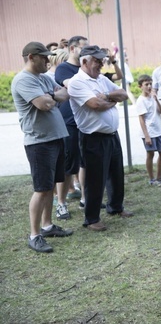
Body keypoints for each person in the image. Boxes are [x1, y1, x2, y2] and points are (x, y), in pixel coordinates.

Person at [11, 41, 73, 253]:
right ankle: (34, 235)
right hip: (39, 141)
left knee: (50, 186)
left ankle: (47, 226)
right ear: (31, 57)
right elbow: (43, 104)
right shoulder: (23, 80)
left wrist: (52, 96)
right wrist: (52, 97)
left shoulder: (44, 78)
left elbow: (65, 94)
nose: (48, 60)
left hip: (55, 138)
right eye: (44, 57)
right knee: (41, 189)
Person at [68, 45, 134, 232]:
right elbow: (94, 104)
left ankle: (115, 206)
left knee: (116, 174)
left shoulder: (101, 80)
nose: (101, 64)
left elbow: (123, 94)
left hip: (111, 135)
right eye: (97, 61)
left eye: (102, 60)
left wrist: (106, 96)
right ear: (84, 62)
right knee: (95, 179)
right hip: (93, 138)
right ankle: (91, 218)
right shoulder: (77, 82)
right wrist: (110, 102)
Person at [54, 35, 89, 217]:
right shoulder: (63, 68)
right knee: (68, 165)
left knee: (85, 162)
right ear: (72, 48)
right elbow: (70, 85)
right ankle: (61, 204)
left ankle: (85, 198)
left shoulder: (86, 68)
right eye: (83, 48)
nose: (86, 51)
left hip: (86, 121)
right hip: (69, 122)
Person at [135, 74, 161, 185]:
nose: (149, 86)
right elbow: (141, 119)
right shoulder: (141, 101)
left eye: (150, 84)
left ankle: (159, 177)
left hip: (158, 131)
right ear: (141, 86)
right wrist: (147, 136)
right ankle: (152, 179)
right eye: (146, 84)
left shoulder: (153, 97)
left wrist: (156, 99)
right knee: (150, 154)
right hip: (149, 132)